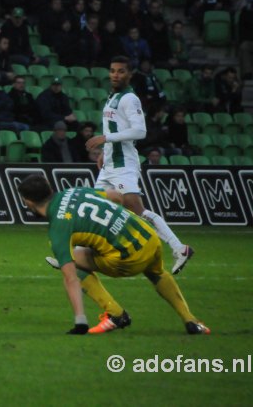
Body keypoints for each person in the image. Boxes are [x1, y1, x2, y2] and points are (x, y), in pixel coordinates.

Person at [18, 175, 210, 335]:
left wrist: (80, 321)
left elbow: (70, 280)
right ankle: (191, 320)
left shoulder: (58, 230)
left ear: (28, 202)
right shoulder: (75, 191)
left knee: (70, 264)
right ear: (49, 189)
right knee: (157, 272)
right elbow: (117, 196)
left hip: (128, 257)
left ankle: (116, 314)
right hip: (148, 235)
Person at [84, 56, 193, 274]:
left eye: (121, 71)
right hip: (110, 164)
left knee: (137, 210)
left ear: (129, 74)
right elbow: (116, 128)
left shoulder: (129, 99)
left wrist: (106, 140)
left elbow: (139, 131)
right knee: (95, 209)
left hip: (124, 165)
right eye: (113, 70)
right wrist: (105, 153)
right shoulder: (113, 96)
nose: (115, 74)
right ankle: (75, 257)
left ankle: (179, 248)